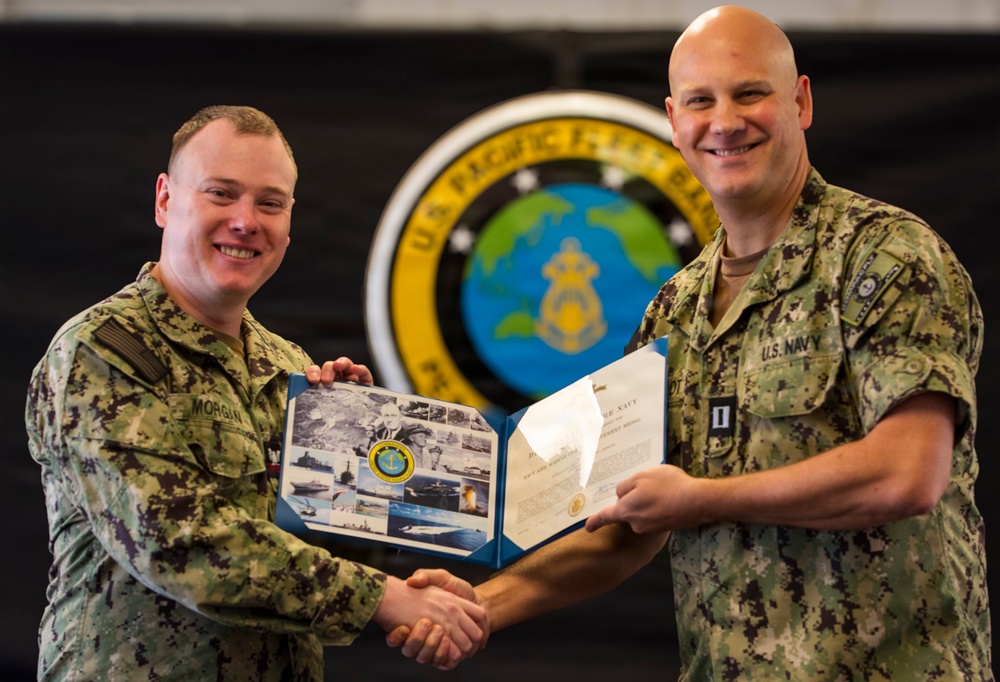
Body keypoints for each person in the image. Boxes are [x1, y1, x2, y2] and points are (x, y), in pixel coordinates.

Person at [389, 6, 992, 678]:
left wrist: (701, 499)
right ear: (675, 122)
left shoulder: (887, 257)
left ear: (801, 101)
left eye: (751, 93)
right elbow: (620, 527)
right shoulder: (673, 313)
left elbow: (905, 474)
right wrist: (479, 603)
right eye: (701, 101)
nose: (725, 121)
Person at [25, 105, 487, 681]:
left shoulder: (289, 368)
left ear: (290, 222)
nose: (246, 221)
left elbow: (334, 559)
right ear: (165, 200)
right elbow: (176, 541)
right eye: (221, 194)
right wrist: (388, 598)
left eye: (269, 203)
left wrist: (357, 475)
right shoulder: (103, 352)